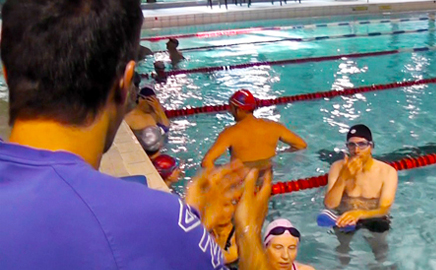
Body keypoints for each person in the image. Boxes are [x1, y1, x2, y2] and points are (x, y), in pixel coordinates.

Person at [0, 0, 275, 269]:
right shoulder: (150, 220)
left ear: (6, 70)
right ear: (124, 82)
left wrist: (188, 226)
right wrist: (248, 231)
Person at [324, 124, 398, 267]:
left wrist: (359, 214)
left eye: (362, 144)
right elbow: (330, 204)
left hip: (373, 216)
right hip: (344, 215)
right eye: (351, 145)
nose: (356, 150)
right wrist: (343, 177)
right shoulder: (338, 167)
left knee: (381, 251)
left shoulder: (387, 172)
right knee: (342, 249)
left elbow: (384, 209)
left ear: (372, 146)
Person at [202, 89, 307, 175]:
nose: (230, 111)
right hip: (267, 177)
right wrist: (279, 154)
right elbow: (301, 145)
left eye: (231, 108)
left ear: (238, 109)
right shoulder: (274, 126)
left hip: (242, 180)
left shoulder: (230, 132)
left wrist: (219, 178)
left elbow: (207, 162)